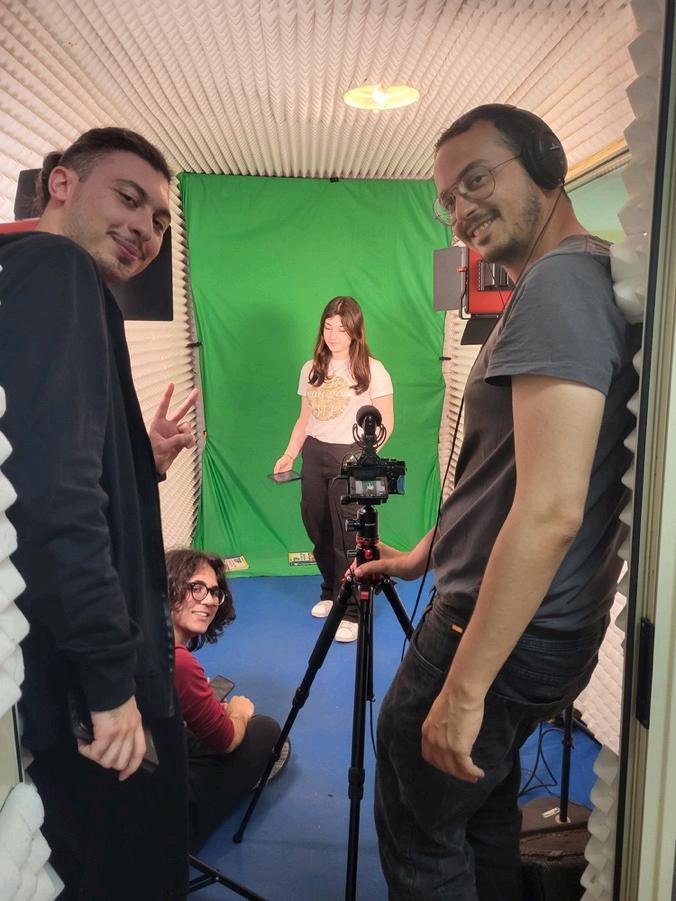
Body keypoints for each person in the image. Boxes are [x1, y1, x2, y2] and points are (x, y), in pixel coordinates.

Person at [354, 105, 641, 900]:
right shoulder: (568, 278)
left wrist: (464, 689)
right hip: (539, 626)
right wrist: (425, 553)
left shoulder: (559, 285)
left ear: (546, 162)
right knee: (479, 807)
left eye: (477, 179)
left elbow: (550, 510)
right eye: (448, 198)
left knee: (419, 823)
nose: (461, 208)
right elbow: (510, 471)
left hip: (498, 629)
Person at [0, 128, 199, 899]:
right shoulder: (58, 271)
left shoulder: (27, 279)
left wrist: (140, 459)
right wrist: (112, 682)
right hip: (87, 683)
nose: (144, 228)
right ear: (60, 183)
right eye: (128, 198)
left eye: (158, 219)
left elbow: (35, 461)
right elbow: (55, 494)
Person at [273, 296, 394, 643]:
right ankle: (331, 591)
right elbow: (304, 419)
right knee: (317, 525)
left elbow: (387, 422)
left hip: (350, 455)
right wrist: (290, 453)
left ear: (355, 330)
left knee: (348, 534)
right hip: (314, 453)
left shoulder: (373, 370)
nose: (333, 334)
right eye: (328, 327)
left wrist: (366, 458)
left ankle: (353, 610)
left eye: (341, 328)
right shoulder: (311, 368)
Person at [166, 548, 289, 850]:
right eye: (197, 588)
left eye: (214, 592)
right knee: (267, 730)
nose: (210, 600)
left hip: (133, 781)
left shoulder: (137, 639)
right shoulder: (179, 663)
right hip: (170, 816)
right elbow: (227, 741)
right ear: (169, 587)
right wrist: (240, 712)